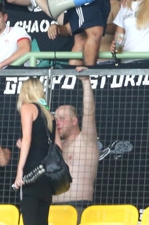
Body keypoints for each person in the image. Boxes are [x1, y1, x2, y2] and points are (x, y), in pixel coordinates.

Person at [14, 78, 55, 225]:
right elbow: (56, 146)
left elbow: (27, 139)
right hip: (46, 174)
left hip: (32, 171)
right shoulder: (49, 115)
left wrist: (20, 170)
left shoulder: (28, 108)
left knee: (30, 219)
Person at [53, 77, 98, 213]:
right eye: (56, 119)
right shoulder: (55, 146)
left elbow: (89, 113)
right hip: (51, 210)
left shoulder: (85, 140)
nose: (58, 122)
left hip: (78, 207)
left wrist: (85, 82)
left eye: (62, 118)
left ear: (74, 121)